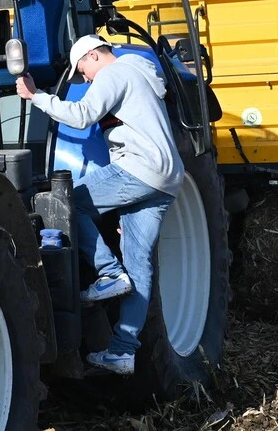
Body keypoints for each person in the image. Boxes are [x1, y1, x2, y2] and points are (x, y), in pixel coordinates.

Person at [16, 34, 183, 376]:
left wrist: (37, 97)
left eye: (82, 71)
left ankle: (107, 272)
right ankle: (122, 351)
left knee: (67, 203)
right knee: (139, 269)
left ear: (93, 55)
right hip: (167, 180)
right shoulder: (143, 72)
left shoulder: (115, 72)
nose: (86, 79)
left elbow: (82, 115)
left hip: (140, 169)